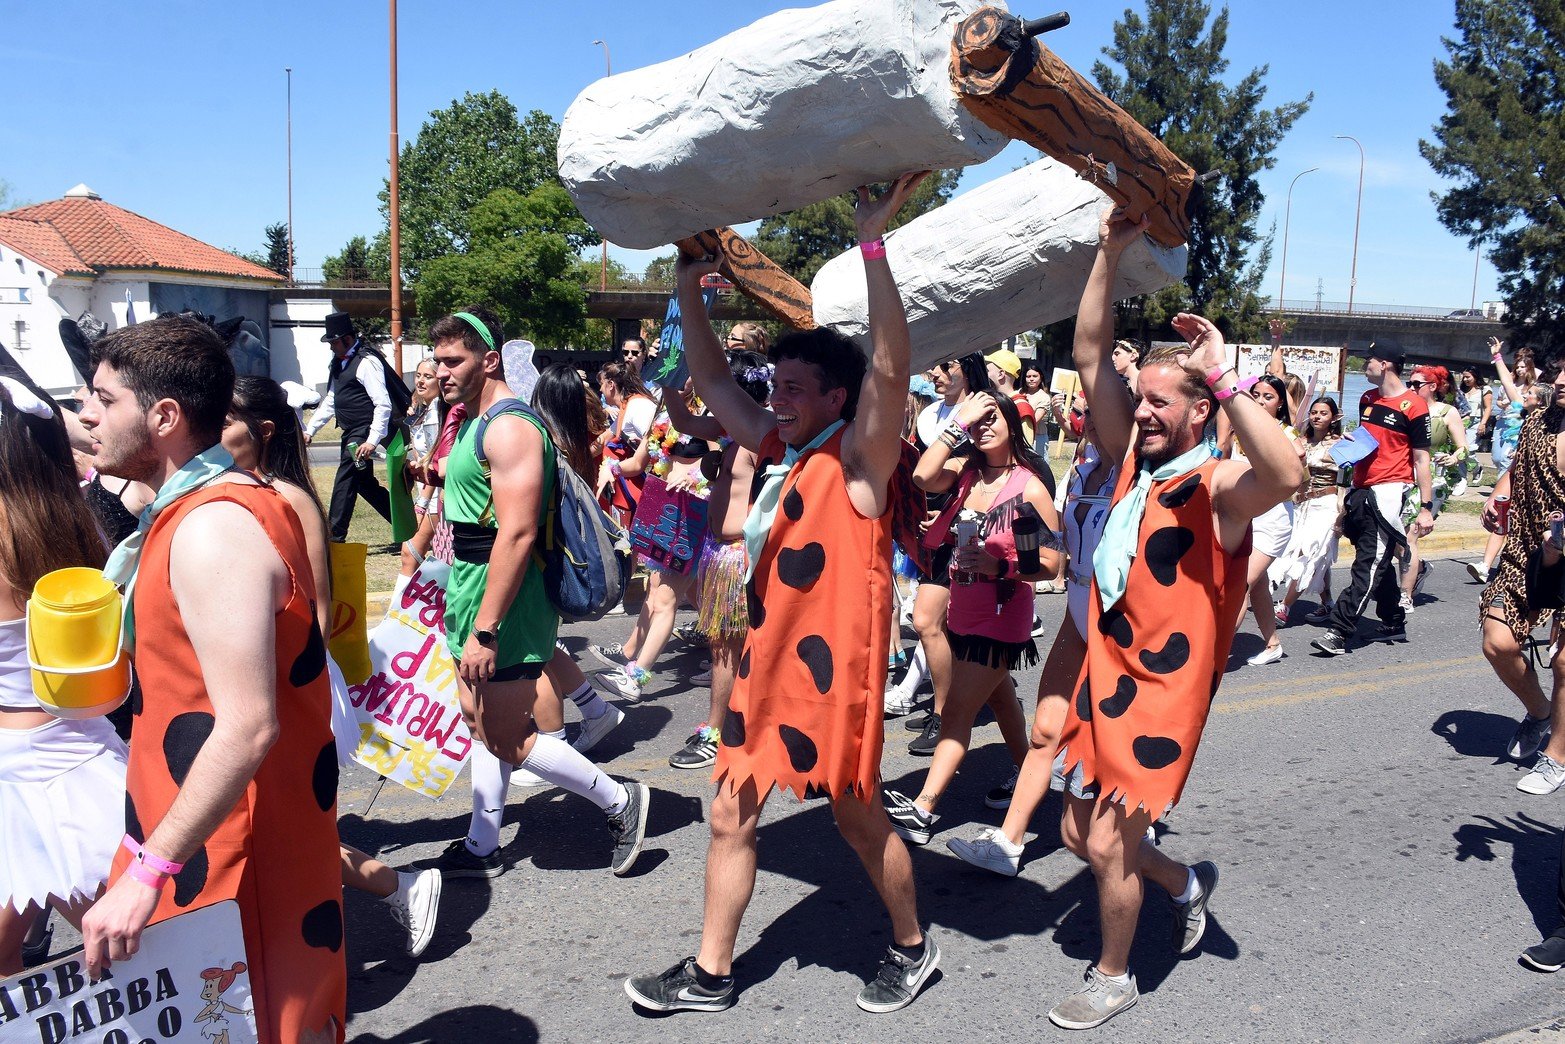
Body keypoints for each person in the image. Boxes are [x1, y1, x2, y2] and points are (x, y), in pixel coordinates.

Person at [626, 172, 940, 1015]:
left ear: (838, 399)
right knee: (730, 814)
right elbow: (710, 378)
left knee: (856, 821)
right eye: (778, 387)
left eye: (795, 390)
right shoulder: (779, 449)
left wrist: (873, 242)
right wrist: (687, 288)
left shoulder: (862, 463)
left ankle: (911, 946)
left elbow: (891, 360)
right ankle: (711, 972)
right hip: (765, 670)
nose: (778, 400)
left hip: (834, 678)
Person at [1044, 210, 1302, 1030]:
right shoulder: (1133, 464)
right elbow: (1088, 354)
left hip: (1160, 692)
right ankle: (1185, 884)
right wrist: (1107, 255)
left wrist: (1224, 378)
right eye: (1139, 399)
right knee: (1073, 836)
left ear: (1197, 414)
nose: (1142, 411)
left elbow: (1288, 470)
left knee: (1111, 839)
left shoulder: (1217, 487)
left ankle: (1113, 974)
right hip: (1104, 671)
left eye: (1161, 401)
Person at [78, 314, 346, 1042]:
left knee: (254, 1021)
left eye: (103, 401)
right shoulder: (195, 510)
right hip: (204, 833)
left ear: (163, 417)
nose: (85, 416)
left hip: (232, 852)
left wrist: (148, 871)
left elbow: (249, 722)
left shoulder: (210, 529)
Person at [221, 375, 443, 956]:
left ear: (263, 431)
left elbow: (317, 614)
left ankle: (398, 887)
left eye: (225, 422)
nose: (213, 433)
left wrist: (278, 692)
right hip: (259, 691)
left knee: (285, 827)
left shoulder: (287, 499)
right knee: (268, 828)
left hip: (292, 688)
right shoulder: (236, 490)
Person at [430, 307, 650, 876]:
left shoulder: (509, 425)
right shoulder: (474, 420)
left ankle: (621, 800)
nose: (441, 370)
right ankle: (483, 843)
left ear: (490, 359)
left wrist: (485, 627)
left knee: (507, 734)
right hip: (471, 585)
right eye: (438, 359)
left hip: (504, 598)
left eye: (454, 360)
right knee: (479, 721)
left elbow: (519, 532)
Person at [882, 391, 1061, 846]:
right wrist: (957, 422)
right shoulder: (965, 475)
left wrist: (998, 566)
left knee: (959, 710)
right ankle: (1032, 776)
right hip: (963, 613)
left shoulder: (1030, 486)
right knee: (1000, 701)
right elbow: (922, 475)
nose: (984, 426)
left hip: (1002, 617)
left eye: (992, 417)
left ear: (1012, 424)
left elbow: (1051, 564)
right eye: (977, 421)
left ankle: (924, 807)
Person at [0, 379, 126, 976]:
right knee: (126, 941)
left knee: (125, 948)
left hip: (21, 762)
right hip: (86, 744)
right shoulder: (77, 526)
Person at [660, 353, 771, 770]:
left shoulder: (763, 436)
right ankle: (740, 721)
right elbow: (684, 422)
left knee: (725, 648)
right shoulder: (731, 431)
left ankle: (716, 731)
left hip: (739, 554)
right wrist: (671, 376)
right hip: (717, 551)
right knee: (726, 645)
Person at [1310, 342, 1435, 656]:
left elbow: (1421, 459)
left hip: (1389, 494)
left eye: (1370, 361)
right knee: (1378, 561)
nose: (1364, 365)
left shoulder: (1415, 406)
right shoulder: (1367, 399)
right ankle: (1393, 619)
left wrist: (1426, 507)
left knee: (1367, 564)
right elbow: (1368, 443)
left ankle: (1339, 630)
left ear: (1386, 365)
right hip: (1360, 490)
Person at [1478, 361, 1565, 791]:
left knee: (1564, 661)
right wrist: (1500, 496)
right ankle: (1542, 713)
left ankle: (1556, 756)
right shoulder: (1537, 421)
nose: (1561, 383)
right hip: (1524, 552)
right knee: (1497, 641)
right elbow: (1517, 467)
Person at [886, 358, 969, 747]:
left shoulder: (986, 410)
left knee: (941, 625)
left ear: (968, 369)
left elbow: (989, 475)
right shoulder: (931, 414)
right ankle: (945, 710)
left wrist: (953, 514)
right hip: (931, 534)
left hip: (968, 535)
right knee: (932, 623)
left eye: (944, 366)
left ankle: (946, 712)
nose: (933, 374)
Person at [1218, 374, 1303, 666]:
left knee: (1238, 584)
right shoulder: (1239, 429)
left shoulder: (1285, 433)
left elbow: (1298, 456)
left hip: (1273, 520)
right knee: (1258, 586)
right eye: (1256, 394)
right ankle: (1272, 643)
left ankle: (1215, 655)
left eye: (1269, 397)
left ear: (1280, 404)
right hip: (1243, 515)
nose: (1261, 401)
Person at [303, 311, 398, 542]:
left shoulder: (366, 362)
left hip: (363, 431)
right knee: (364, 484)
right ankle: (407, 526)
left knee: (345, 477)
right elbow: (332, 400)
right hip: (351, 432)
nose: (331, 347)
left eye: (333, 342)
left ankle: (334, 536)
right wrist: (310, 430)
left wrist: (372, 440)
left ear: (347, 339)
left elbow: (382, 403)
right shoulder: (338, 364)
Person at [1471, 341, 1541, 583]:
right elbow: (1510, 386)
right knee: (1503, 513)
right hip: (1516, 471)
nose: (1525, 394)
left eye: (1531, 393)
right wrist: (1498, 357)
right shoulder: (1522, 407)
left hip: (1537, 487)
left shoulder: (1547, 423)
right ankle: (1486, 565)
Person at [1399, 365, 1467, 611]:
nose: (1412, 388)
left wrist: (1454, 458)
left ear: (1432, 386)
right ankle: (1420, 567)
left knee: (1410, 535)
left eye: (1417, 384)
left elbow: (1464, 448)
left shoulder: (1447, 412)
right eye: (1410, 383)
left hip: (1435, 479)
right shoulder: (1405, 408)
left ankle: (1405, 595)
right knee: (1396, 538)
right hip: (1403, 476)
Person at [1275, 397, 1344, 626]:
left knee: (1309, 553)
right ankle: (1327, 604)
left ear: (1333, 418)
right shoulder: (1300, 441)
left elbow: (1347, 481)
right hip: (1301, 504)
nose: (1317, 417)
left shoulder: (1342, 444)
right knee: (1317, 557)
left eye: (1323, 413)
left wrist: (1342, 514)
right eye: (1314, 412)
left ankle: (1285, 607)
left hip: (1327, 503)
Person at [597, 361, 657, 529]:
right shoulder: (627, 406)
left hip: (651, 493)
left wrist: (610, 468)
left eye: (601, 384)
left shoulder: (639, 406)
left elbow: (657, 444)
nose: (600, 390)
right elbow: (604, 440)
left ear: (610, 385)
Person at [984, 348, 1037, 443]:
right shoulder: (992, 401)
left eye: (988, 371)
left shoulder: (1022, 408)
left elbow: (1025, 447)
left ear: (1001, 374)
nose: (985, 375)